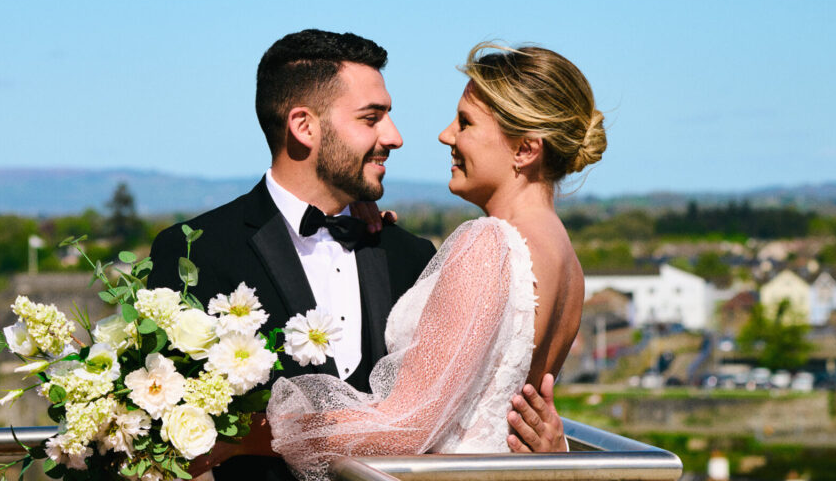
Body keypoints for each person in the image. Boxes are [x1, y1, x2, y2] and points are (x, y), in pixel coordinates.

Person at [203, 42, 604, 481]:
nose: (445, 135)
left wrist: (251, 434)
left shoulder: (488, 242)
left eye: (465, 123)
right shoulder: (565, 256)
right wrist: (556, 451)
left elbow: (406, 425)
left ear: (525, 150)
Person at [148, 29, 438, 481]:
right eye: (371, 117)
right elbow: (163, 442)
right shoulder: (195, 252)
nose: (394, 137)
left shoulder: (410, 256)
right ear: (304, 126)